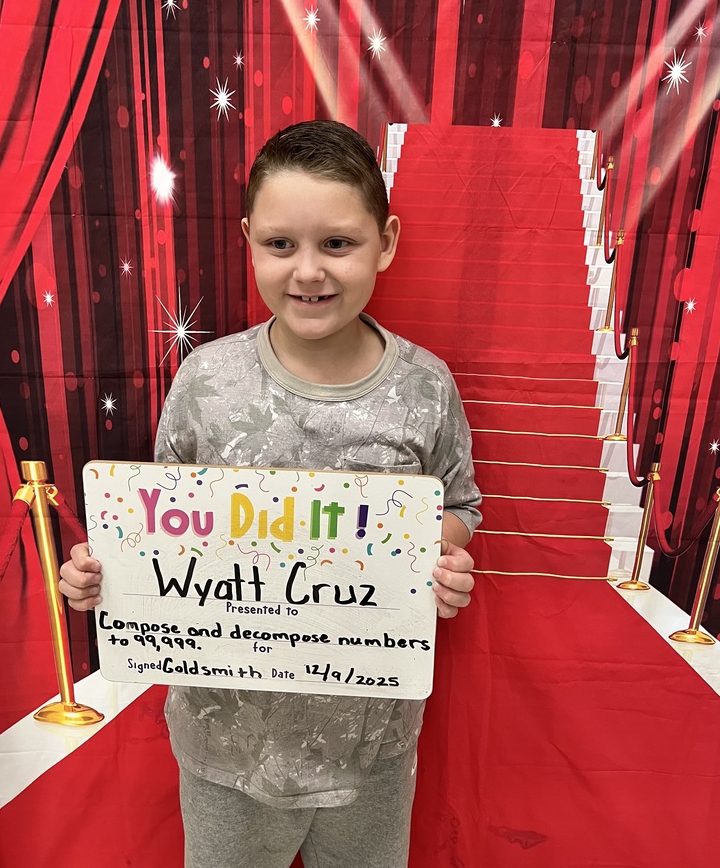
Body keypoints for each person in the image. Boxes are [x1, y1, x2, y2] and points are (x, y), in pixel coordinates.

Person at [60, 120, 482, 868]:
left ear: (385, 242)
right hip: (225, 748)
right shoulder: (206, 383)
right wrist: (107, 573)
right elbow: (157, 527)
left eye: (338, 243)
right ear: (249, 240)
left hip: (371, 745)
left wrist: (437, 558)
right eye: (281, 244)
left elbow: (460, 506)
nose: (308, 271)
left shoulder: (425, 388)